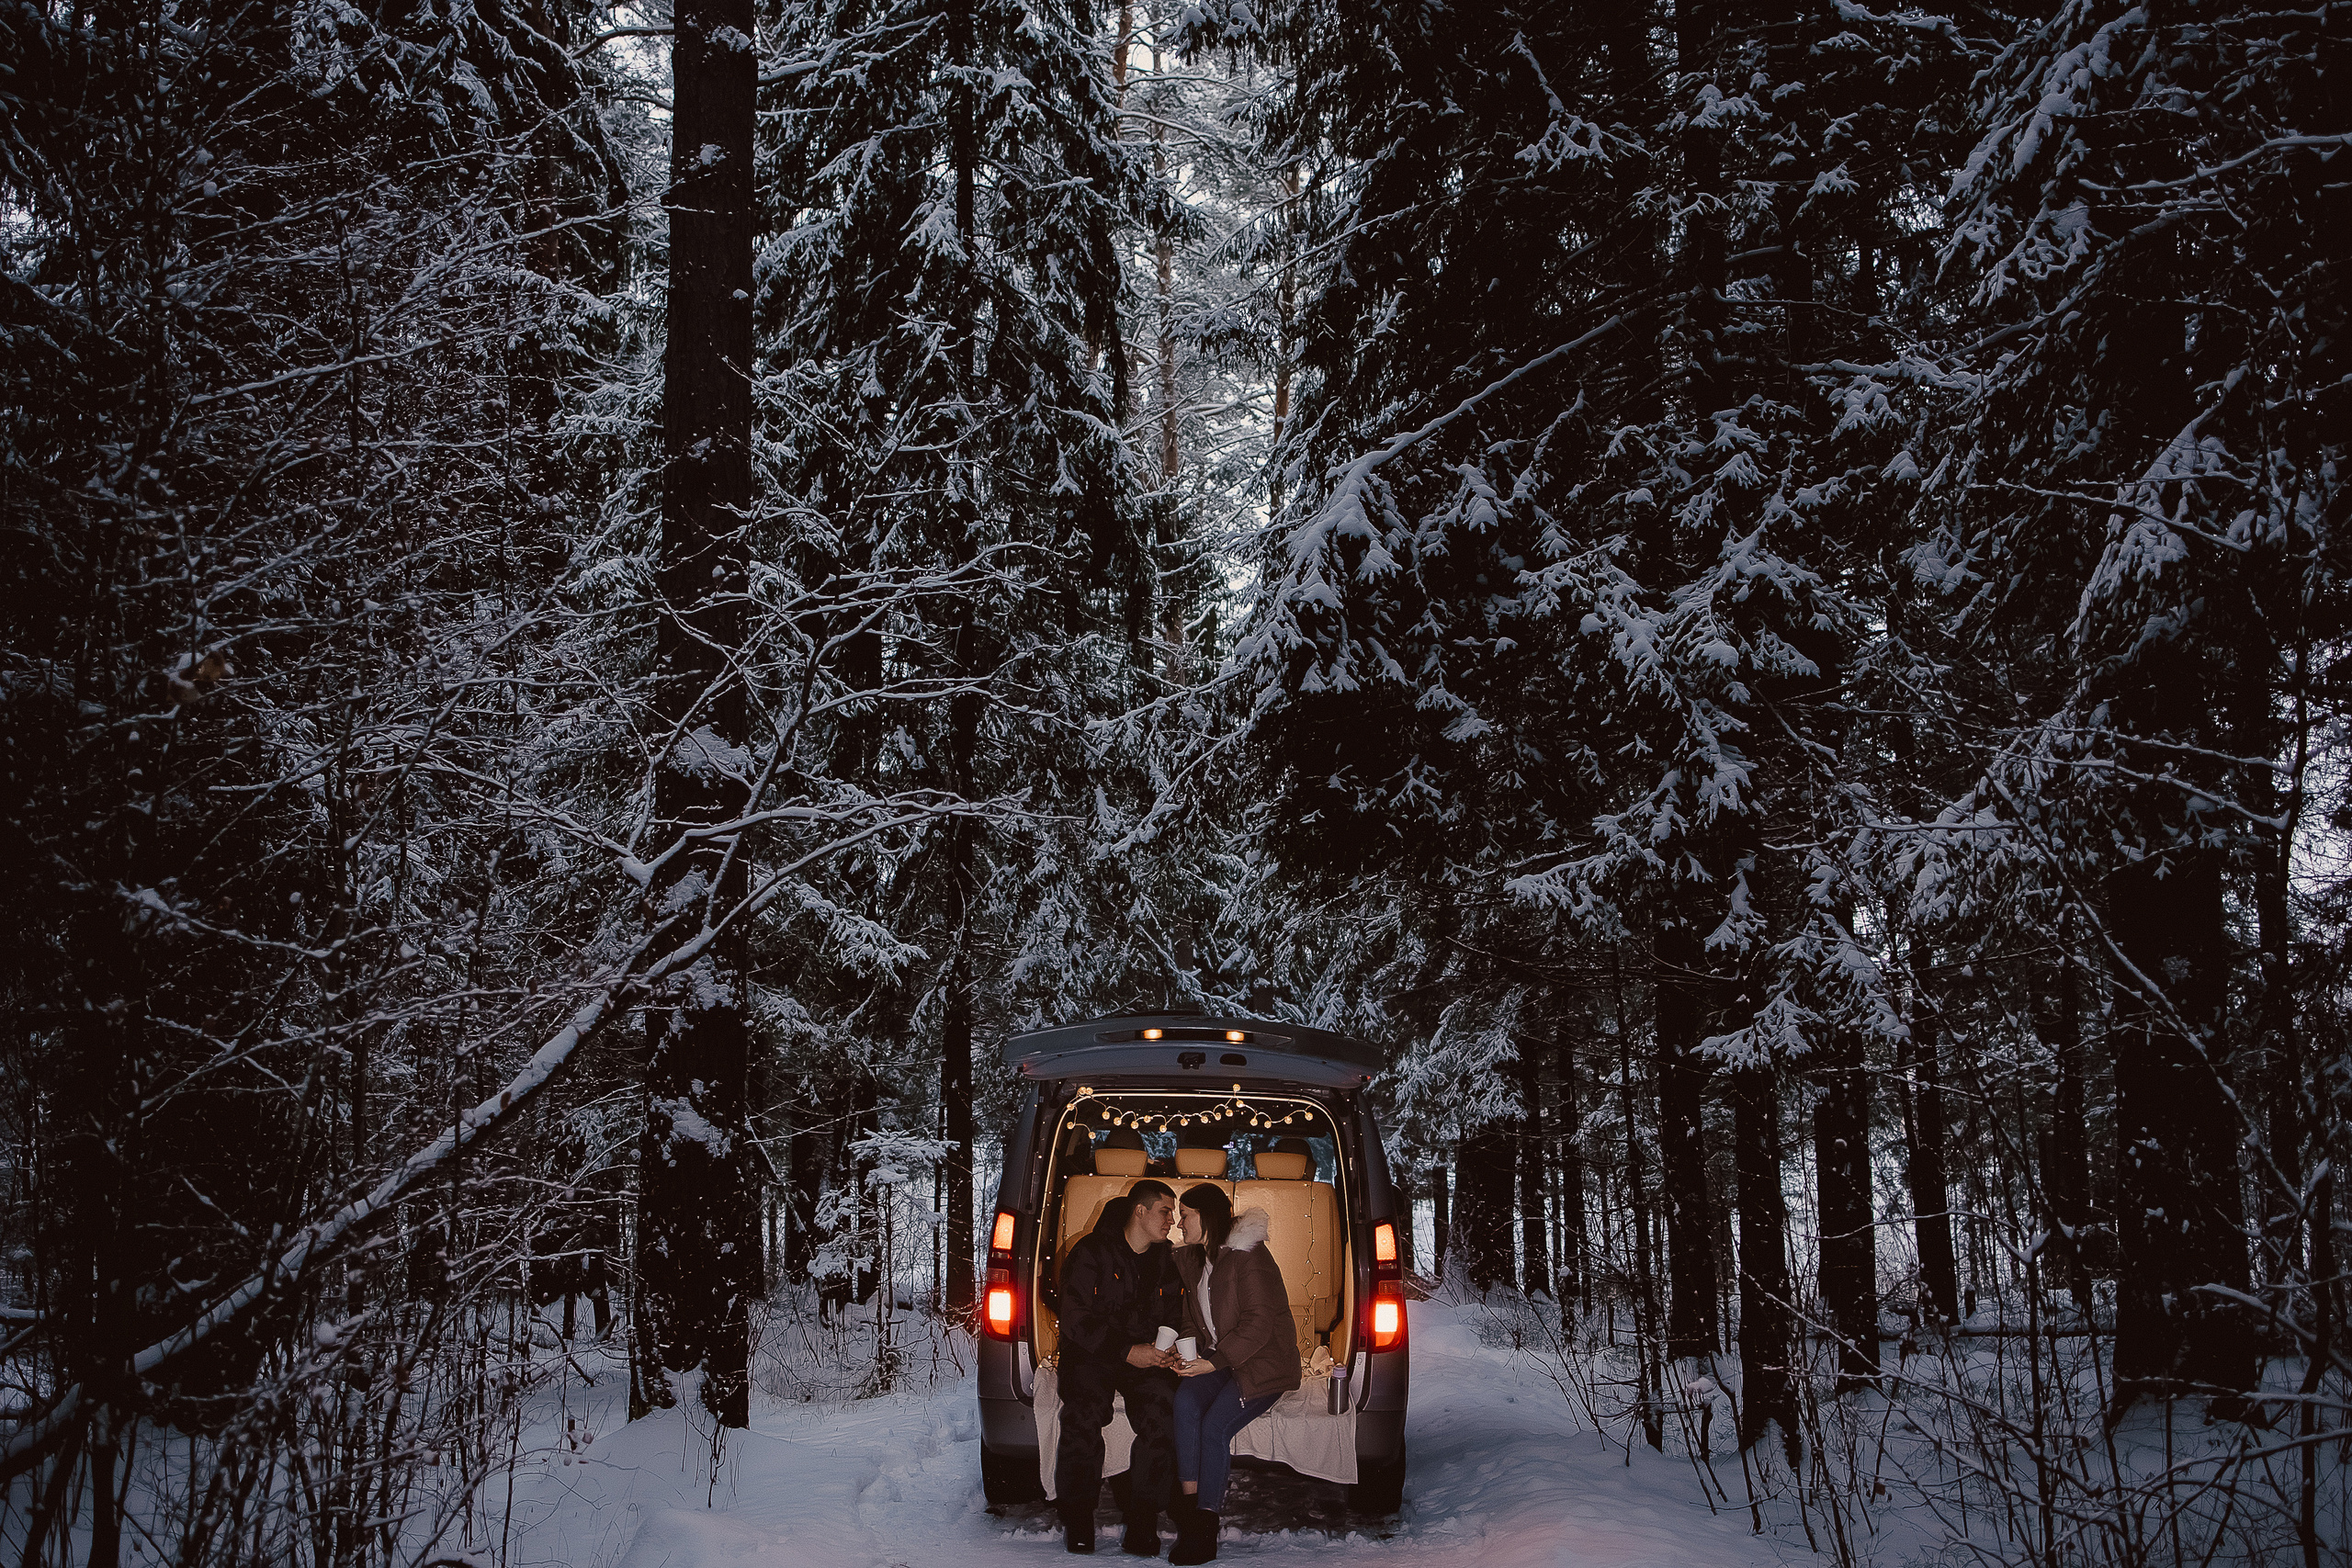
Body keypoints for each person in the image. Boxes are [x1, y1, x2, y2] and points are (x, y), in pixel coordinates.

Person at [1167, 1184, 1301, 1565]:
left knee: (1215, 1427)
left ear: (1206, 1217)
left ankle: (1206, 1528)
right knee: (1185, 1402)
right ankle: (1190, 1512)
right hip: (1221, 1359)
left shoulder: (1249, 1255)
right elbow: (1191, 1320)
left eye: (1185, 1215)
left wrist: (1214, 1362)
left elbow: (1259, 1323)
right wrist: (1187, 1353)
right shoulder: (1194, 1260)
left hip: (1263, 1364)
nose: (1179, 1223)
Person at [1054, 1178, 1184, 1557]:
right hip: (1092, 1353)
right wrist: (1126, 1351)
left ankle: (1143, 1519)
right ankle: (1079, 1518)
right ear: (1140, 1211)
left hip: (1144, 1355)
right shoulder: (1090, 1251)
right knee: (1083, 1413)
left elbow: (1174, 1314)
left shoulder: (1167, 1260)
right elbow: (1075, 1318)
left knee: (1163, 1410)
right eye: (1165, 1211)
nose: (1172, 1221)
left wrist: (1169, 1348)